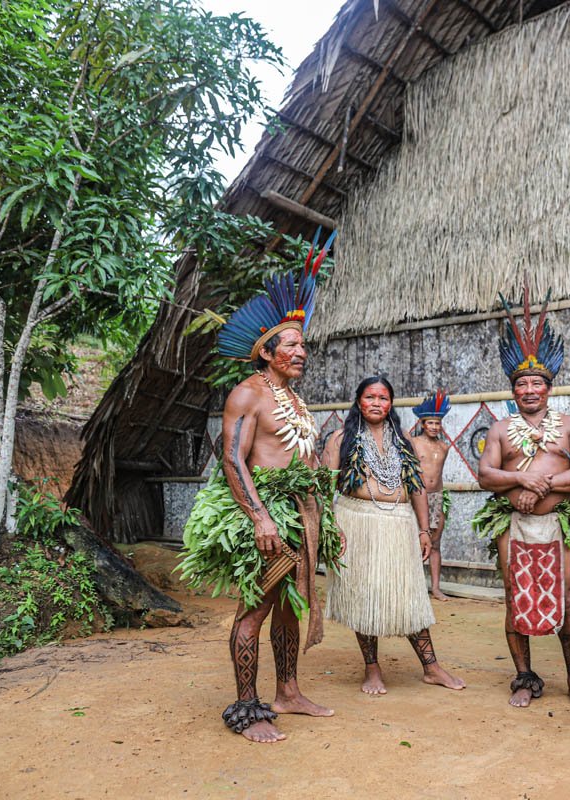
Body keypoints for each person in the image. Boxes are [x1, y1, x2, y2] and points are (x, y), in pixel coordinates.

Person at [179, 234, 344, 743]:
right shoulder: (248, 393)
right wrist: (260, 517)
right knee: (255, 607)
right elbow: (232, 458)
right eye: (291, 345)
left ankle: (288, 691)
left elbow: (303, 454)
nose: (301, 352)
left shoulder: (292, 397)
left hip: (301, 511)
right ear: (266, 351)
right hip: (269, 513)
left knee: (290, 606)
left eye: (302, 345)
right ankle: (246, 708)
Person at [473, 282, 570, 709]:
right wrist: (520, 482)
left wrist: (538, 484)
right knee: (515, 595)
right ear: (513, 389)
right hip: (513, 523)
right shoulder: (500, 429)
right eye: (522, 383)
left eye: (536, 383)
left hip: (555, 524)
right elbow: (486, 474)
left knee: (564, 597)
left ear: (548, 388)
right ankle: (524, 677)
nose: (529, 390)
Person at [323, 376, 465, 696]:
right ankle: (372, 668)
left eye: (384, 398)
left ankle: (431, 667)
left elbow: (417, 486)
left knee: (409, 594)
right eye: (370, 397)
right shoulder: (340, 439)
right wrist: (330, 531)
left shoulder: (403, 440)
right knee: (364, 595)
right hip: (355, 521)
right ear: (358, 400)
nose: (377, 403)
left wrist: (423, 529)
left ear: (391, 404)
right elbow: (323, 490)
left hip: (400, 522)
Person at [411, 390, 453, 601]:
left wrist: (441, 501)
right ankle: (413, 587)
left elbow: (439, 476)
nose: (435, 427)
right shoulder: (414, 443)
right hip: (416, 497)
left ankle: (435, 588)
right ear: (422, 423)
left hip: (436, 497)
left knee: (435, 543)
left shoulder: (444, 447)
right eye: (431, 423)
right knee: (414, 542)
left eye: (438, 423)